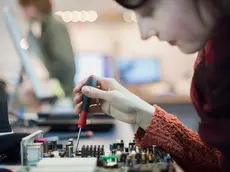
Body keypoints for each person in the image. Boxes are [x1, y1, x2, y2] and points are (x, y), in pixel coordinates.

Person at [74, 0, 230, 172]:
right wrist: (142, 114)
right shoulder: (213, 56)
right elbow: (217, 163)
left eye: (150, 12)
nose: (144, 34)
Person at [18, 0, 75, 97]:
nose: (23, 13)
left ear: (34, 7)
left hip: (64, 95)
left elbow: (66, 64)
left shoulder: (54, 27)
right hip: (61, 93)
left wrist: (51, 88)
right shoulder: (44, 28)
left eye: (25, 8)